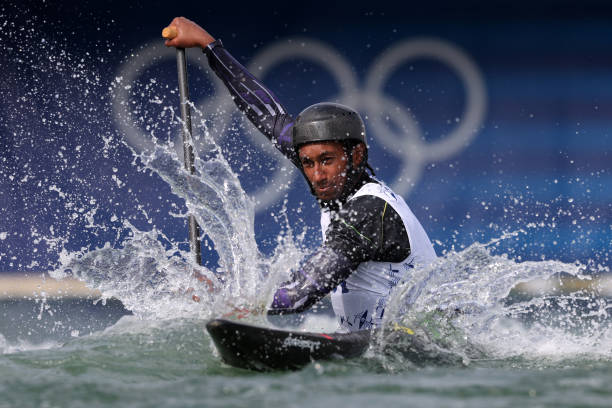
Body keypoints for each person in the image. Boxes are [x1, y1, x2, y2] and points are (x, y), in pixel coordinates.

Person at [164, 17, 437, 332]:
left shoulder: (368, 213)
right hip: (376, 343)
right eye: (307, 163)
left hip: (420, 348)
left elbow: (298, 296)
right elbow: (268, 114)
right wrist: (208, 45)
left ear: (357, 155)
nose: (317, 175)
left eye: (327, 161)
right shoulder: (335, 180)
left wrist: (221, 299)